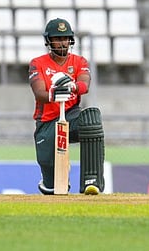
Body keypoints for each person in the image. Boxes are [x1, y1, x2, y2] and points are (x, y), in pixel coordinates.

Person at [28, 17, 105, 195]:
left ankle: (90, 180)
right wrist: (55, 93)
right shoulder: (37, 63)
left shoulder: (79, 62)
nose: (62, 43)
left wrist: (73, 86)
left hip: (71, 115)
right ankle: (51, 180)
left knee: (91, 120)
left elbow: (85, 84)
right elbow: (39, 93)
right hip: (46, 122)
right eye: (57, 39)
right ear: (49, 41)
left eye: (65, 39)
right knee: (52, 187)